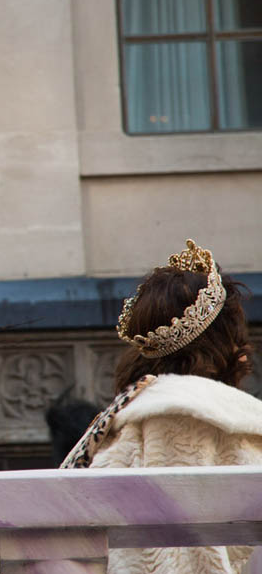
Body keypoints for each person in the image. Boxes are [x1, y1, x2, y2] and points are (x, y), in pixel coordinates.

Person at [68, 239, 261, 573]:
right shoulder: (181, 413)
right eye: (235, 332)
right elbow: (184, 557)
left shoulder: (155, 403)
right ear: (224, 341)